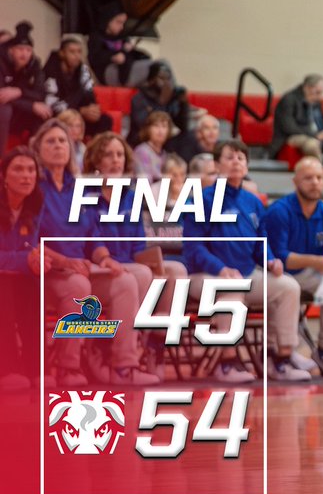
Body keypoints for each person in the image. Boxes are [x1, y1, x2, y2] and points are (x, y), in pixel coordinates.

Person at [31, 120, 154, 386]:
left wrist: (104, 258)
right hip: (46, 272)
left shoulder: (78, 188)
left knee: (124, 280)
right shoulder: (35, 188)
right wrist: (64, 261)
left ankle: (122, 365)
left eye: (63, 141)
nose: (58, 146)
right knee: (78, 285)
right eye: (50, 141)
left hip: (82, 267)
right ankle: (69, 367)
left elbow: (92, 236)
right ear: (38, 149)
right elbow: (29, 241)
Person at [183, 139, 308, 382]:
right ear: (218, 165)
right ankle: (227, 362)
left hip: (246, 273)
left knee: (289, 287)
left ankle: (279, 358)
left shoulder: (252, 202)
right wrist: (220, 269)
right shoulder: (201, 200)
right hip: (204, 276)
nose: (236, 162)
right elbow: (193, 248)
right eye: (229, 157)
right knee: (231, 291)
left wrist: (271, 260)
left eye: (241, 158)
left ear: (247, 166)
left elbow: (261, 240)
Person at [82, 131, 188, 383]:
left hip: (128, 265)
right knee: (140, 274)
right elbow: (89, 240)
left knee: (176, 272)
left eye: (119, 154)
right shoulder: (86, 195)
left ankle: (154, 343)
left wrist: (154, 260)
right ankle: (123, 359)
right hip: (96, 269)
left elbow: (139, 243)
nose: (115, 160)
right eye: (108, 154)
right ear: (96, 161)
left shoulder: (130, 196)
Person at [263, 157, 323, 378]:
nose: (315, 182)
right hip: (275, 273)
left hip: (305, 274)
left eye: (320, 178)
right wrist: (317, 262)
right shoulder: (280, 211)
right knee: (287, 286)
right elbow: (281, 257)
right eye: (309, 178)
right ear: (295, 181)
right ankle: (279, 354)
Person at [0, 147, 43, 390]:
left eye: (31, 170)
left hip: (17, 277)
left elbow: (28, 249)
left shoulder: (33, 206)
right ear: (4, 176)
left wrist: (37, 259)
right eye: (18, 169)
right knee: (4, 287)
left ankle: (34, 368)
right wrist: (24, 260)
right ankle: (7, 368)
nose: (26, 176)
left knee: (33, 285)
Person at [269, 74, 323, 163]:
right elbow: (289, 127)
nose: (320, 96)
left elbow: (322, 123)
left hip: (317, 135)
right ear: (307, 87)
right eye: (317, 92)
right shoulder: (289, 99)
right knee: (312, 144)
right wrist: (316, 135)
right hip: (293, 136)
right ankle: (318, 172)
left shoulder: (317, 101)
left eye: (321, 92)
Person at [44, 35, 113, 137]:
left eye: (79, 52)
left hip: (78, 113)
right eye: (72, 52)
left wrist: (92, 110)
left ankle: (97, 150)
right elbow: (52, 105)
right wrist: (80, 111)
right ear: (62, 53)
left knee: (105, 120)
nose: (77, 56)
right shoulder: (50, 72)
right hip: (58, 116)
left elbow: (90, 94)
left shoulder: (83, 70)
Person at [0, 23, 51, 147]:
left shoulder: (34, 64)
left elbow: (41, 93)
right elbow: (2, 96)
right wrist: (31, 105)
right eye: (20, 49)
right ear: (11, 50)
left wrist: (20, 91)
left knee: (44, 111)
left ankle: (36, 155)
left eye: (28, 50)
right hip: (4, 110)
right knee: (4, 110)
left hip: (19, 110)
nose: (24, 54)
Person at [129, 62, 190, 149]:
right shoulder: (139, 98)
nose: (166, 82)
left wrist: (183, 105)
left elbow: (183, 127)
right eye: (161, 78)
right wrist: (162, 102)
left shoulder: (170, 97)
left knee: (188, 138)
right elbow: (146, 126)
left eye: (168, 78)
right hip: (141, 141)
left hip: (165, 141)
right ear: (151, 80)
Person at [88, 8, 150, 86]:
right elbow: (94, 58)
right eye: (118, 22)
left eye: (123, 23)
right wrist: (112, 57)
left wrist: (130, 50)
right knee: (153, 67)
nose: (121, 27)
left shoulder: (122, 37)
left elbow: (126, 54)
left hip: (126, 68)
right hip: (108, 70)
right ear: (108, 21)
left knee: (156, 66)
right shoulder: (96, 36)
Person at [133, 111, 171, 182]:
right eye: (156, 126)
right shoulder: (141, 151)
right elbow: (144, 181)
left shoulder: (165, 154)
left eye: (164, 126)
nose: (160, 131)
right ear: (148, 129)